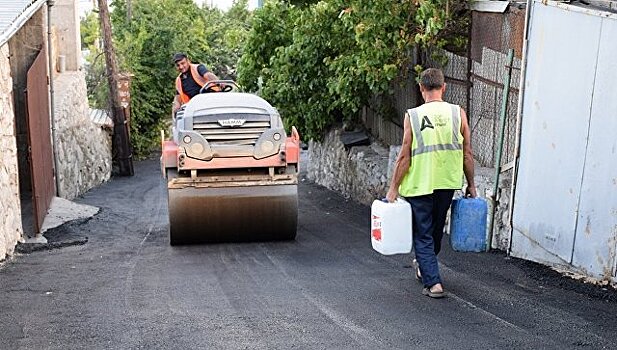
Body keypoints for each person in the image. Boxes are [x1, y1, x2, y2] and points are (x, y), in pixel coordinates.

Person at [386, 68, 477, 298]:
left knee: (423, 233)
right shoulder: (458, 113)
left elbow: (404, 155)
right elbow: (467, 153)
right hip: (447, 182)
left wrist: (393, 188)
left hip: (419, 184)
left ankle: (434, 283)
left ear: (421, 88)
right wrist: (471, 184)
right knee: (435, 230)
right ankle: (427, 268)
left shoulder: (413, 115)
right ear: (444, 87)